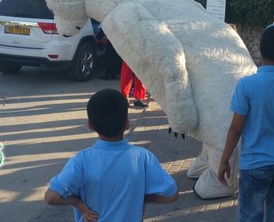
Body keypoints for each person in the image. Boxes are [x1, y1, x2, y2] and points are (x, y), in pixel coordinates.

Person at [45, 89, 178, 221]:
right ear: (127, 123)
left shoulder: (81, 160)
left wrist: (78, 203)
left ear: (90, 125)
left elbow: (51, 197)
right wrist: (141, 198)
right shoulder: (143, 157)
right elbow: (172, 194)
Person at [218, 26, 274, 222]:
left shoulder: (246, 85)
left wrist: (224, 161)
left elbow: (235, 129)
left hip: (254, 165)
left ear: (259, 47)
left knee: (249, 217)